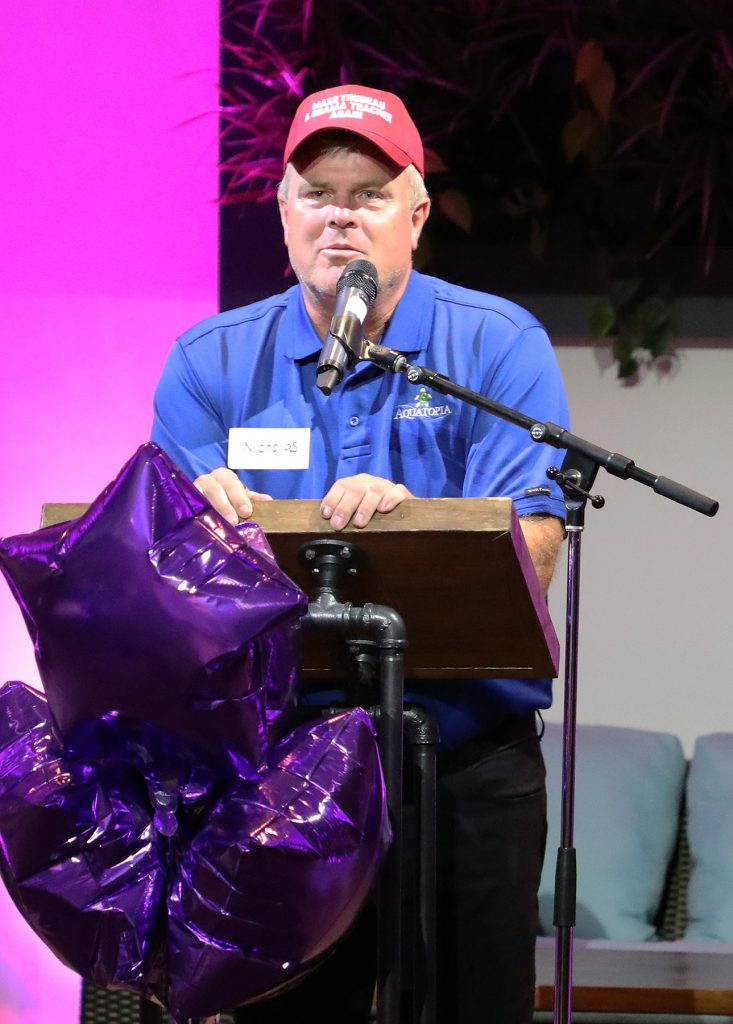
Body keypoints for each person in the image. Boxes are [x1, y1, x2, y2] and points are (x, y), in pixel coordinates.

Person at [152, 84, 569, 1024]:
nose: (340, 213)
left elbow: (536, 546)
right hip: (277, 765)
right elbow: (159, 583)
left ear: (415, 217)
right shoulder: (208, 361)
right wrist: (198, 533)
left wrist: (421, 525)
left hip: (464, 761)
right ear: (284, 213)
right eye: (317, 190)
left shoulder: (494, 344)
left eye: (369, 192)